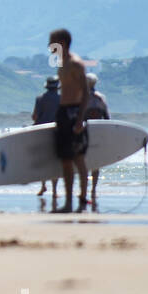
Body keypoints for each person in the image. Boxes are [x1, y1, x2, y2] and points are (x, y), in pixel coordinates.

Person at [48, 28, 90, 213]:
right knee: (65, 159)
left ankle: (81, 199)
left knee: (78, 158)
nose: (49, 46)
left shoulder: (75, 64)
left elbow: (86, 93)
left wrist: (80, 119)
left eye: (52, 42)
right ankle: (68, 201)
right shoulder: (60, 62)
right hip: (64, 112)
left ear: (62, 43)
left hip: (74, 112)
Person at [32, 75, 61, 210]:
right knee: (55, 161)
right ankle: (55, 191)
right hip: (57, 131)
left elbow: (35, 116)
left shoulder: (40, 99)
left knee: (43, 160)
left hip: (41, 131)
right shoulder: (62, 99)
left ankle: (43, 186)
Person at [85, 73, 110, 211]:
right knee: (96, 164)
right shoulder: (101, 98)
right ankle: (93, 190)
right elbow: (107, 117)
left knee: (83, 163)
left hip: (84, 132)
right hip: (98, 133)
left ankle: (84, 190)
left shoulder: (81, 97)